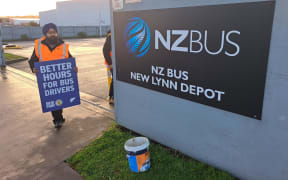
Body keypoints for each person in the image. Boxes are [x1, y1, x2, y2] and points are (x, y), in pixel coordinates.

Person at [28, 23, 78, 129]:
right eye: (50, 33)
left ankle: (59, 115)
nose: (53, 35)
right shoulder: (38, 46)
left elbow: (69, 58)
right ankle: (57, 119)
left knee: (61, 99)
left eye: (54, 32)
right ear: (45, 34)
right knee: (52, 98)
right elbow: (33, 60)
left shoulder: (63, 45)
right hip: (48, 79)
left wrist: (74, 68)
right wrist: (34, 69)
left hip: (62, 78)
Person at [103, 30, 114, 104]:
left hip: (114, 62)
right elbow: (105, 50)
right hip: (112, 63)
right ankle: (112, 97)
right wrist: (110, 63)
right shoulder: (111, 37)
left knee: (115, 79)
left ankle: (112, 96)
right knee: (115, 80)